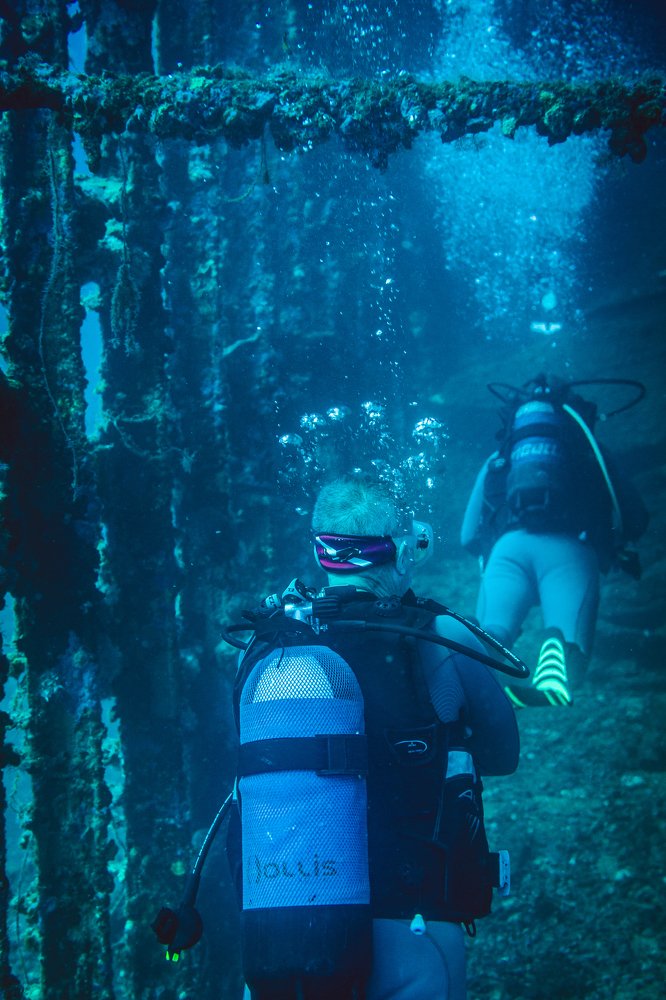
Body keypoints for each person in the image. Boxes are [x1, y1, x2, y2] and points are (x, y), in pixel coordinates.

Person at [229, 475, 520, 1000]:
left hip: (288, 929)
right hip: (412, 923)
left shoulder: (265, 645)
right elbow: (504, 753)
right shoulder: (436, 636)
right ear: (403, 552)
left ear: (323, 554)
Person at [460, 374, 649, 708]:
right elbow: (634, 517)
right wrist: (618, 545)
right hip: (570, 552)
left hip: (509, 550)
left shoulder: (498, 459)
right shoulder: (589, 449)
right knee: (570, 637)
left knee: (494, 628)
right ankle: (556, 651)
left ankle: (484, 676)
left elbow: (467, 537)